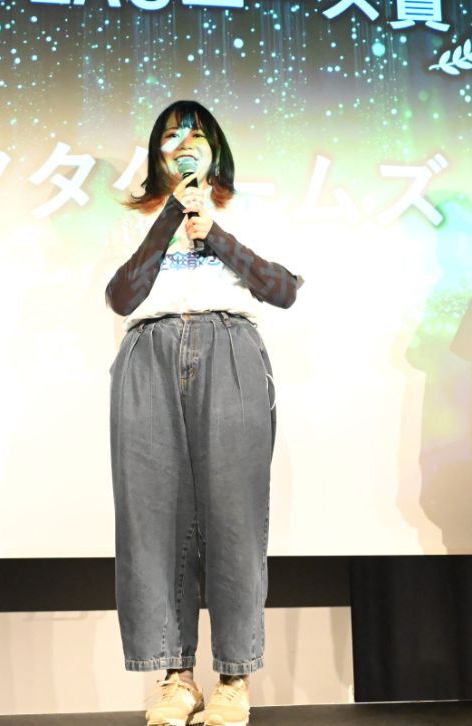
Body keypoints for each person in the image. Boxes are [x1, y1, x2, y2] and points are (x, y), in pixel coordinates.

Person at [105, 100, 302, 726]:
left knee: (234, 517)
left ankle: (234, 678)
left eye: (196, 133)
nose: (184, 142)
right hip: (149, 349)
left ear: (215, 147)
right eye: (172, 134)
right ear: (157, 150)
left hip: (229, 345)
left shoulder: (244, 207)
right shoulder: (135, 214)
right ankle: (175, 677)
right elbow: (121, 296)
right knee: (153, 518)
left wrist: (212, 231)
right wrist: (170, 215)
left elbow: (283, 289)